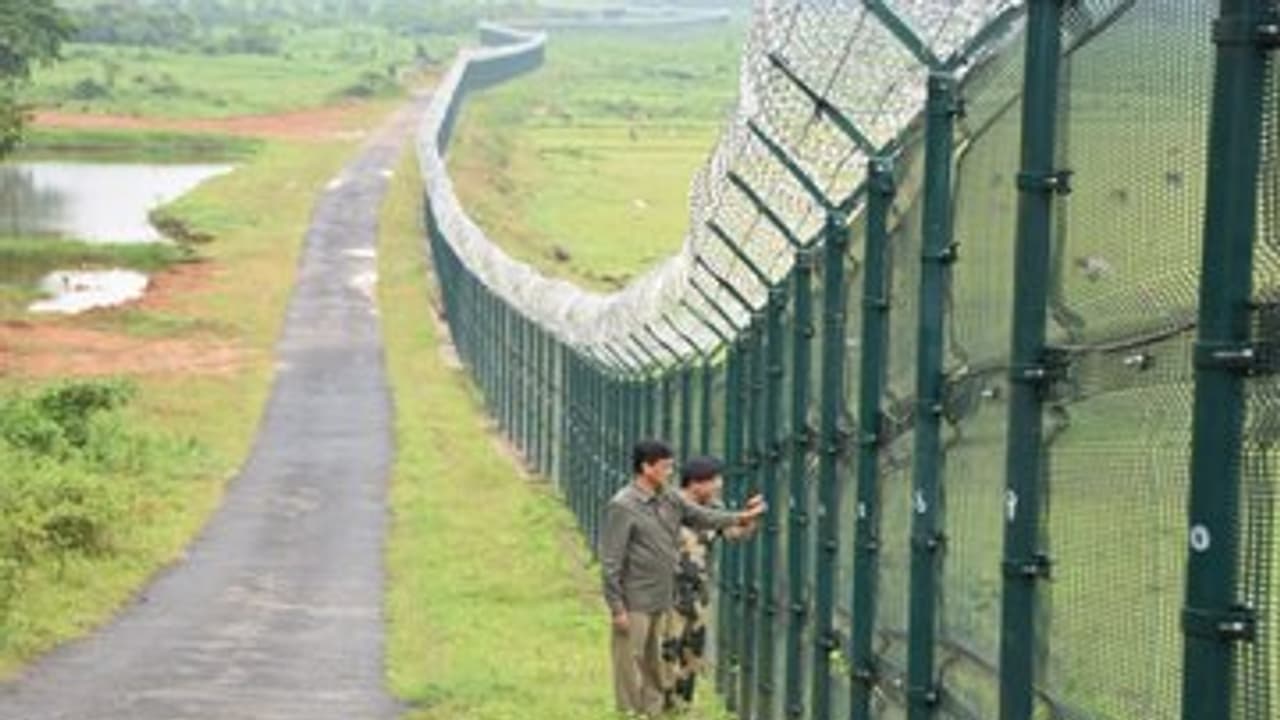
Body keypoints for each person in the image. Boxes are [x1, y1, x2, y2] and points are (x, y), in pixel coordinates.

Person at [601, 440, 767, 718]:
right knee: (639, 659)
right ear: (646, 467)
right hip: (647, 596)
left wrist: (745, 517)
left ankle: (662, 710)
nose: (670, 472)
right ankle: (631, 711)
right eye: (665, 467)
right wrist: (617, 607)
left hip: (674, 596)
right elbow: (611, 561)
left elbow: (708, 519)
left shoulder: (670, 499)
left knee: (669, 659)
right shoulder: (626, 505)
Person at [662, 455, 758, 711]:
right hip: (668, 591)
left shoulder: (715, 508)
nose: (719, 485)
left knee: (693, 651)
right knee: (668, 648)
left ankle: (683, 705)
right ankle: (661, 705)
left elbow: (735, 535)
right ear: (695, 483)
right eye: (714, 480)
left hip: (697, 592)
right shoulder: (670, 504)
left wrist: (749, 520)